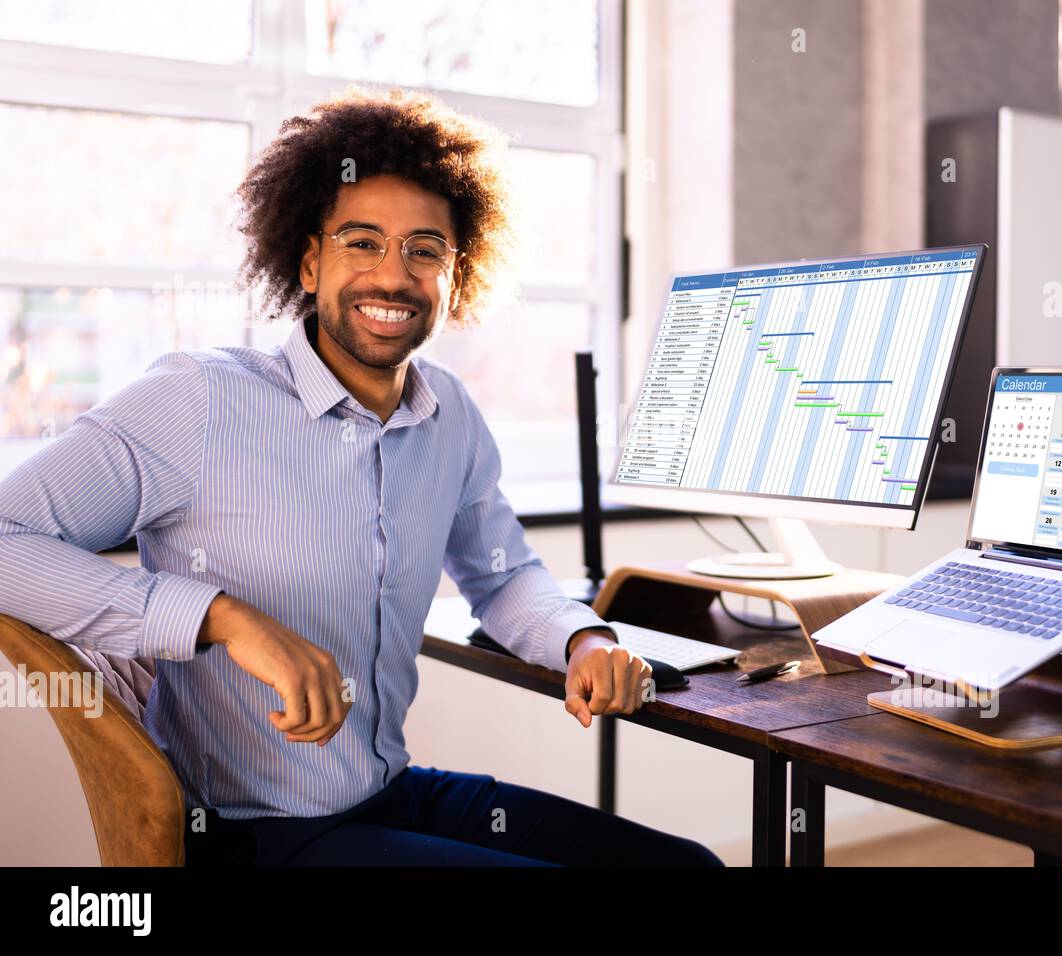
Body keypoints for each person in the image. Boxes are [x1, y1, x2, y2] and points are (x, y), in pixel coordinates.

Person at [0, 87, 723, 867]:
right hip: (251, 835)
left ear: (455, 274)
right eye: (362, 242)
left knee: (688, 868)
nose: (393, 275)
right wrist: (224, 618)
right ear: (309, 261)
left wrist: (581, 638)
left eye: (424, 249)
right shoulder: (198, 400)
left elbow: (502, 575)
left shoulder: (450, 414)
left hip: (385, 794)